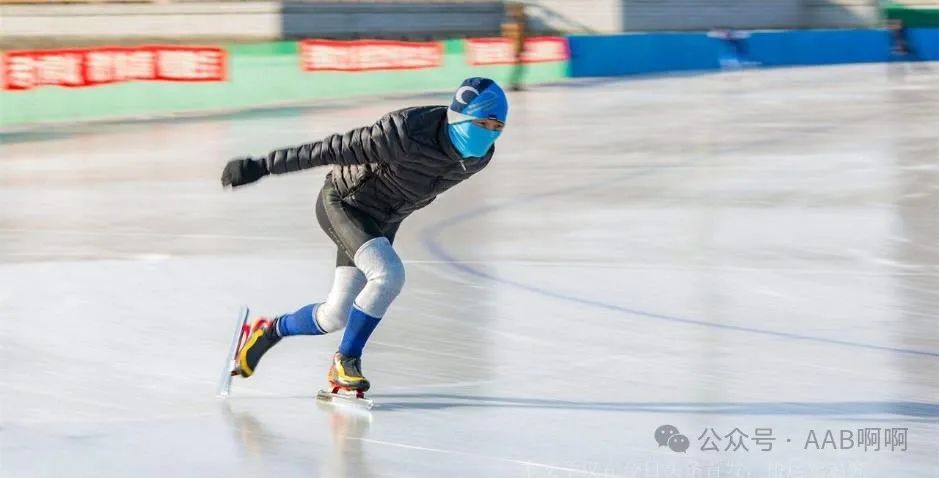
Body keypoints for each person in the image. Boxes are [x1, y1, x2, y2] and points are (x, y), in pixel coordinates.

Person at [220, 78, 508, 394]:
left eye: (497, 127)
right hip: (345, 203)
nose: (490, 133)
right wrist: (262, 166)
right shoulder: (404, 131)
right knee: (388, 275)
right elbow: (331, 149)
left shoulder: (480, 157)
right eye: (483, 122)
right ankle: (347, 359)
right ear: (460, 115)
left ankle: (268, 330)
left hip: (383, 222)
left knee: (335, 315)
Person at [502, 2, 528, 91]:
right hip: (516, 49)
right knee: (518, 68)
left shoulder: (519, 23)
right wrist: (517, 49)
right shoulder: (514, 23)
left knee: (519, 68)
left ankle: (514, 83)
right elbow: (514, 36)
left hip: (518, 48)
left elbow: (520, 37)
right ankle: (513, 83)